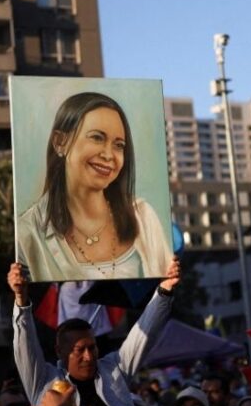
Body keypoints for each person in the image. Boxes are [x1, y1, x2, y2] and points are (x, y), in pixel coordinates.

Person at [10, 258, 180, 406]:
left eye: (93, 347)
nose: (89, 356)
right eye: (79, 350)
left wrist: (165, 291)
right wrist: (21, 299)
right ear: (60, 351)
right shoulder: (45, 384)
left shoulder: (113, 371)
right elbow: (25, 346)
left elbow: (144, 333)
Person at [17, 92, 172, 281]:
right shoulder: (27, 234)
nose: (108, 155)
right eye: (97, 138)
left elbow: (169, 292)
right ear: (60, 142)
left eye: (119, 145)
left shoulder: (143, 218)